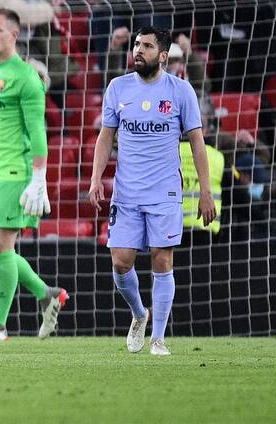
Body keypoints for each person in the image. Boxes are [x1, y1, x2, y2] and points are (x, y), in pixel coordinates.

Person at [88, 26, 216, 356]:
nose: (138, 50)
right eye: (136, 45)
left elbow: (198, 143)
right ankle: (138, 314)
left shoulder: (180, 91)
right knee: (120, 261)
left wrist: (205, 191)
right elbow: (106, 136)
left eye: (146, 46)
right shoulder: (117, 88)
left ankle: (158, 338)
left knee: (162, 259)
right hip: (127, 192)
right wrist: (95, 179)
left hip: (165, 192)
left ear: (162, 56)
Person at [0, 8, 68, 342]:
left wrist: (38, 177)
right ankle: (47, 294)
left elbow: (37, 131)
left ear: (14, 35)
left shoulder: (26, 77)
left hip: (15, 172)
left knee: (3, 245)